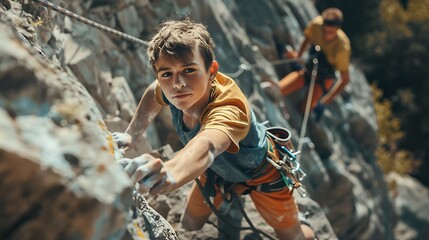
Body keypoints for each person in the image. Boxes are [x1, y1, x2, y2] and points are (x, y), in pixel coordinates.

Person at [112, 19, 315, 239]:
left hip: (262, 175)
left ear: (212, 70)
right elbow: (154, 93)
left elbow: (206, 145)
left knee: (293, 236)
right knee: (190, 223)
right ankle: (232, 203)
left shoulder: (229, 108)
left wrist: (171, 171)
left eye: (189, 70)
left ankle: (301, 220)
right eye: (166, 74)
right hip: (218, 170)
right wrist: (131, 134)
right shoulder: (170, 88)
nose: (177, 83)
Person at [278, 8, 351, 119]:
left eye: (330, 32)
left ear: (338, 29)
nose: (326, 35)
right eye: (324, 31)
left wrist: (325, 100)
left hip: (324, 79)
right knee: (279, 89)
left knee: (304, 108)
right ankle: (290, 56)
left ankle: (312, 106)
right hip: (308, 70)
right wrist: (299, 56)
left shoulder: (342, 48)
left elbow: (345, 79)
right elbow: (307, 38)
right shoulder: (317, 24)